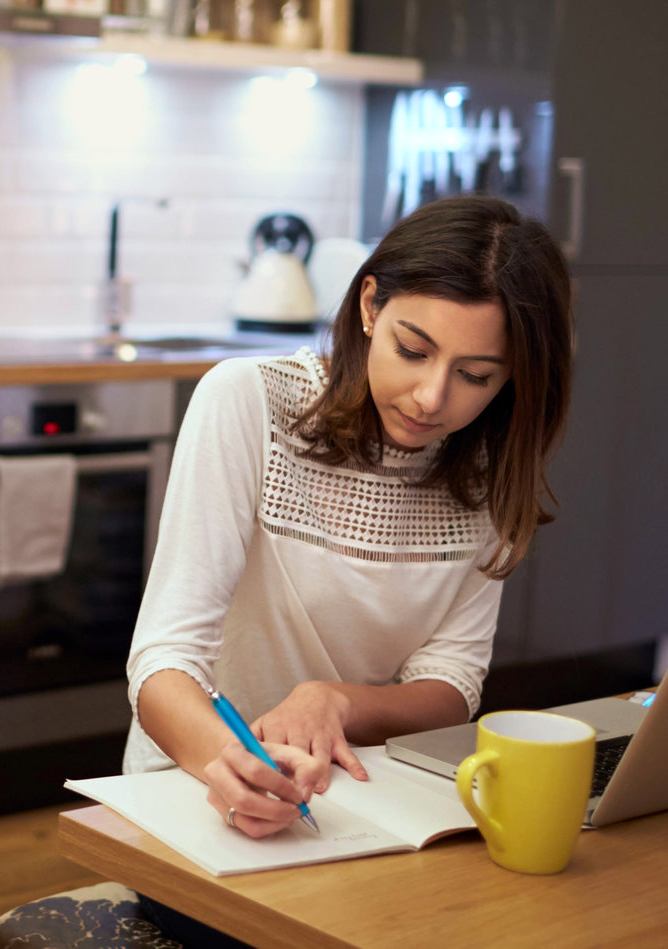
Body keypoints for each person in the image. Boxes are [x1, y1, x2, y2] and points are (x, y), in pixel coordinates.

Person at [123, 196, 574, 947]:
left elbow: (453, 687)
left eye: (476, 373)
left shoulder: (490, 466)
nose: (434, 397)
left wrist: (335, 701)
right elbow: (164, 657)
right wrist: (226, 765)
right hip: (198, 802)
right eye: (414, 348)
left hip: (369, 809)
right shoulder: (249, 402)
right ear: (370, 304)